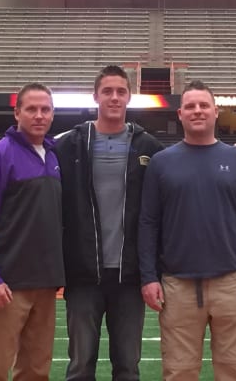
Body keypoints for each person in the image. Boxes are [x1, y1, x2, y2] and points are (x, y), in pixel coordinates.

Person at [138, 79, 236, 381]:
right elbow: (148, 223)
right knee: (179, 372)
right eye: (190, 106)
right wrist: (148, 277)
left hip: (232, 284)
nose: (197, 111)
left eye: (203, 105)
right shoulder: (161, 163)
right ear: (180, 114)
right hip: (177, 286)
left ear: (216, 112)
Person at [54, 65, 165, 381]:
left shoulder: (149, 147)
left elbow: (181, 180)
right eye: (107, 91)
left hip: (130, 278)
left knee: (128, 368)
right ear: (96, 96)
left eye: (120, 91)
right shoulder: (69, 144)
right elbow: (31, 156)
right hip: (83, 275)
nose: (114, 97)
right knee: (79, 367)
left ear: (129, 96)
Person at [0, 83, 64, 381]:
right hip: (6, 287)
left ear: (53, 114)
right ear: (17, 112)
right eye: (31, 109)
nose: (39, 115)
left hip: (45, 286)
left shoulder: (55, 156)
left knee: (36, 371)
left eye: (45, 109)